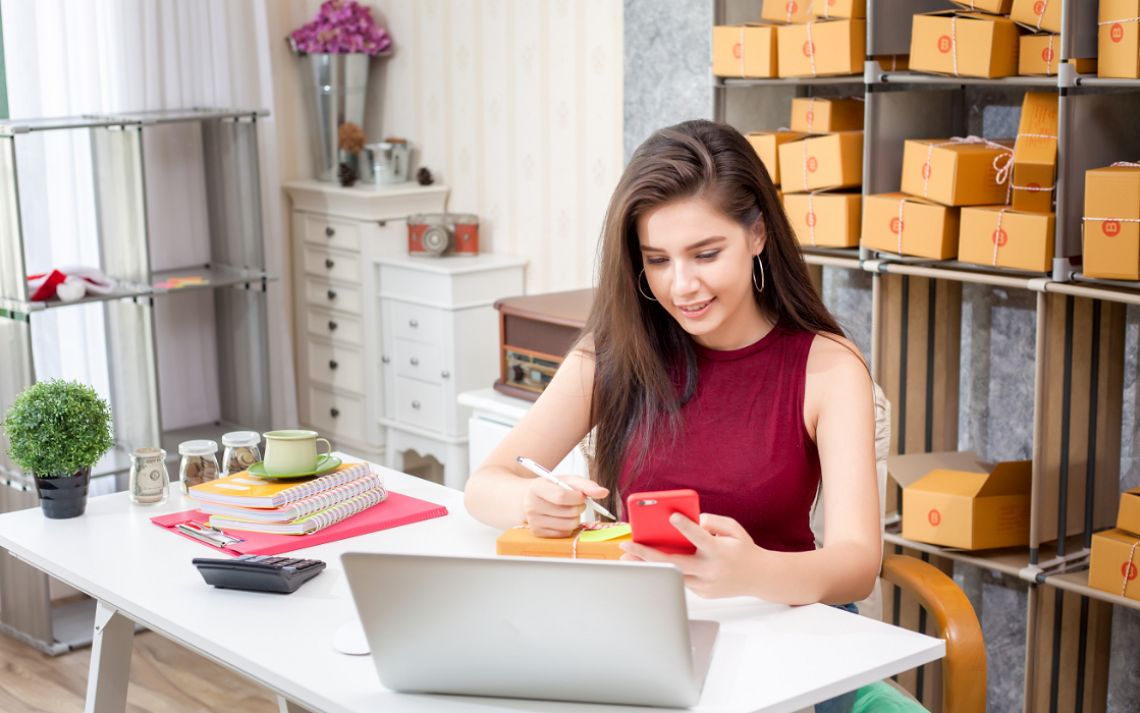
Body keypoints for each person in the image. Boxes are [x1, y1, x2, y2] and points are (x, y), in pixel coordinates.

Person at [464, 119, 880, 609]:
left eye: (705, 254)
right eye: (658, 260)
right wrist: (530, 504)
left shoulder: (828, 368)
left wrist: (752, 571)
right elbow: (484, 485)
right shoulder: (617, 353)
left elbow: (858, 565)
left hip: (781, 627)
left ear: (758, 234)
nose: (681, 286)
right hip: (647, 622)